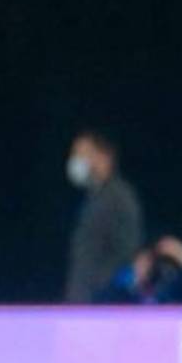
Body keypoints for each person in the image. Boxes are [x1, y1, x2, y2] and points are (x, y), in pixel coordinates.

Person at [63, 129, 144, 303]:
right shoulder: (93, 199)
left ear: (104, 156)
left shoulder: (119, 198)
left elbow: (127, 255)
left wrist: (100, 291)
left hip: (101, 305)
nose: (76, 161)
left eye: (82, 155)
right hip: (82, 302)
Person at [95, 235, 182, 304]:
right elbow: (102, 300)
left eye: (149, 261)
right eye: (140, 261)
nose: (144, 266)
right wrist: (131, 280)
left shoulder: (169, 292)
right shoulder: (122, 291)